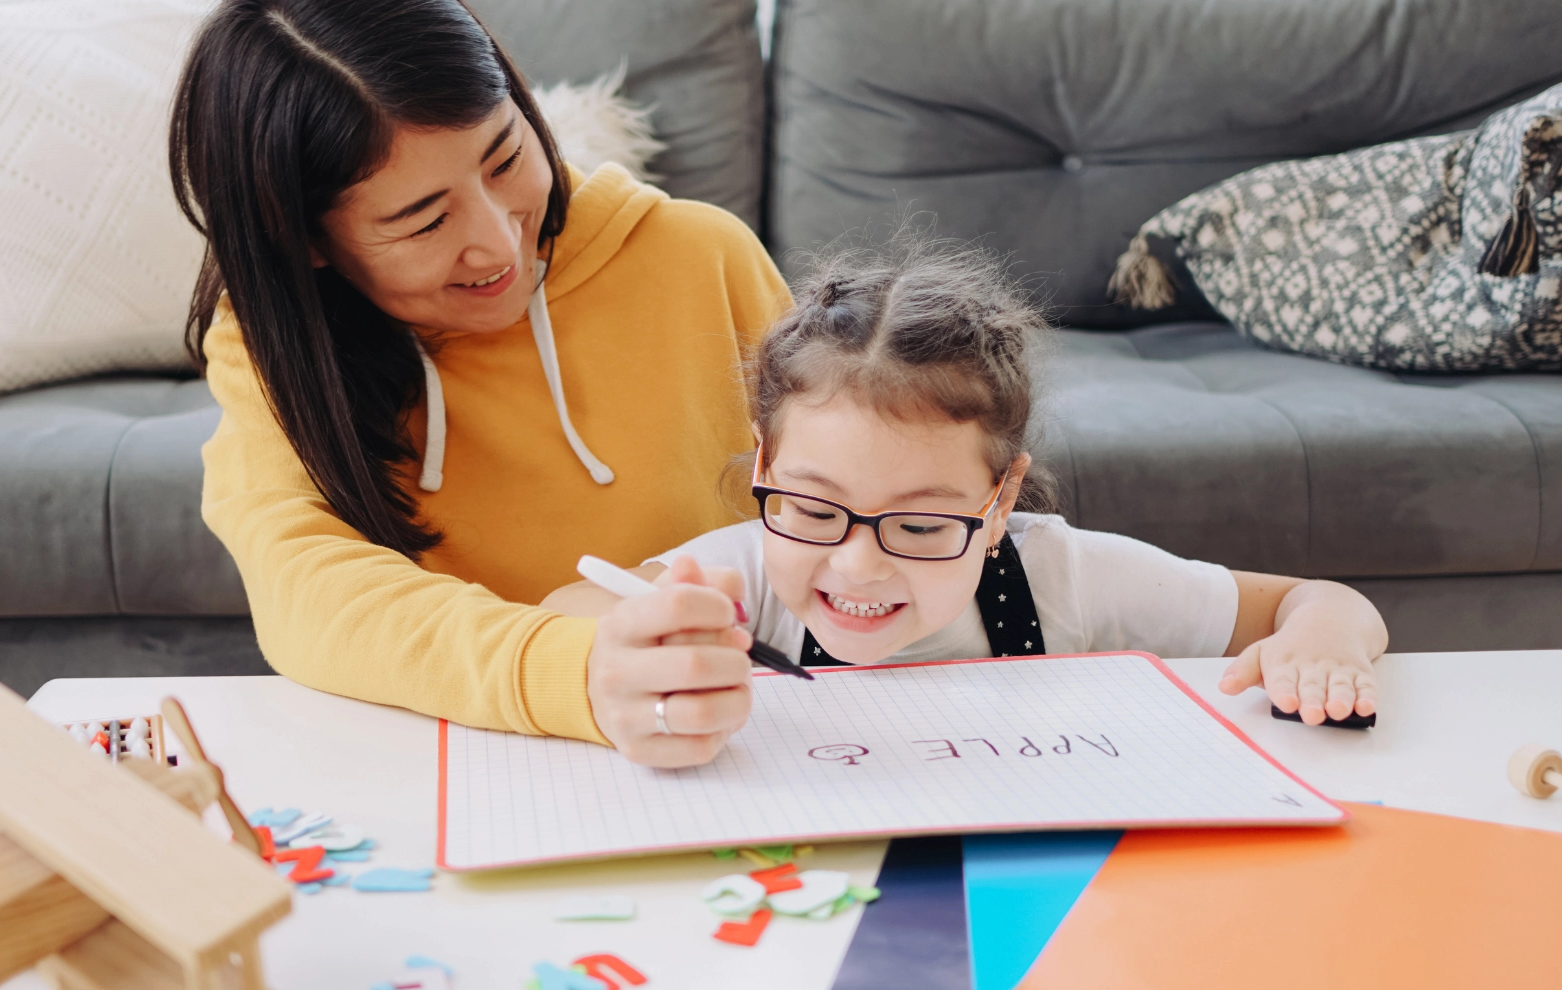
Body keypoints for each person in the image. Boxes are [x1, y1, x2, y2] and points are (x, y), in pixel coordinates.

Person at [172, 0, 780, 768]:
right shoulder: (275, 348)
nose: (497, 242)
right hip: (468, 755)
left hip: (735, 742)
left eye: (503, 160)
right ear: (307, 241)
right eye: (425, 221)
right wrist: (573, 671)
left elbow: (837, 499)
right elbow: (305, 587)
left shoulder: (703, 256)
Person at [544, 238, 1389, 730]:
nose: (857, 566)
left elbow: (1314, 601)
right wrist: (645, 638)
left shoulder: (1062, 576)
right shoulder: (742, 579)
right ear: (764, 467)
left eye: (919, 528)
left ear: (1000, 502)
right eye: (812, 508)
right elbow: (554, 621)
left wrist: (1324, 639)